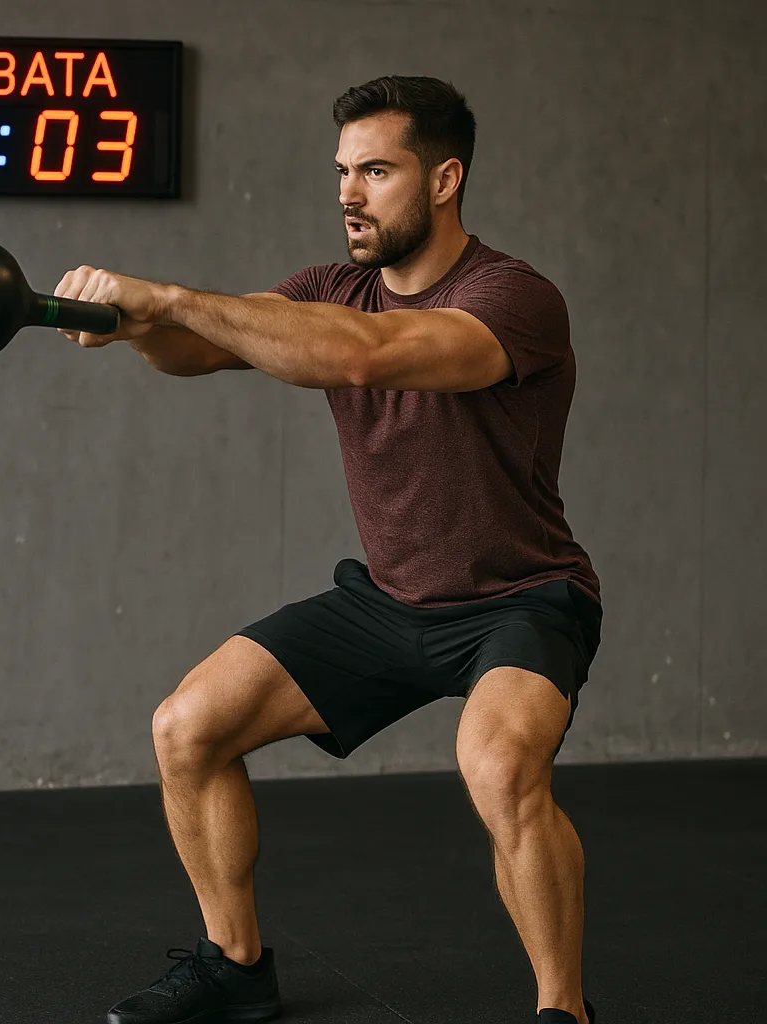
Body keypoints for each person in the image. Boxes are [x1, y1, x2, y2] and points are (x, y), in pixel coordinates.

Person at [55, 75, 601, 1024]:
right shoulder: (325, 290)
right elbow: (206, 350)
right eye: (342, 171)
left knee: (502, 769)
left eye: (378, 170)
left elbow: (366, 356)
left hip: (519, 598)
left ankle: (563, 1010)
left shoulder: (513, 298)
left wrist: (172, 295)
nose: (349, 192)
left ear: (444, 179)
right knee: (188, 727)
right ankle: (236, 966)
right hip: (390, 601)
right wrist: (133, 327)